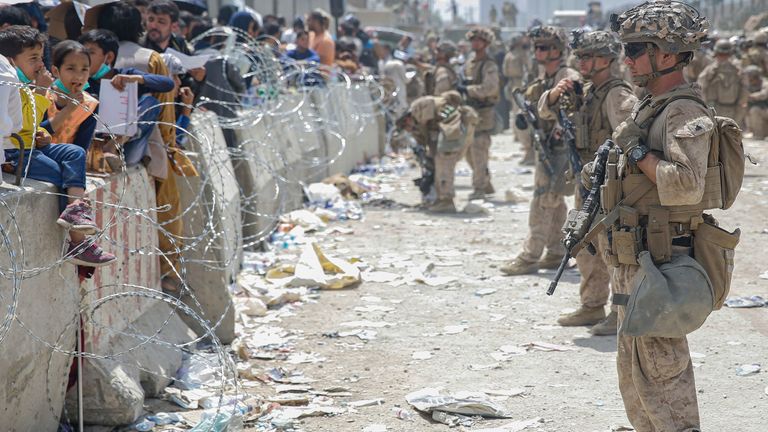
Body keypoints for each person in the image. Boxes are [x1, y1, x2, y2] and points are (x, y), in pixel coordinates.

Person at [608, 2, 721, 429]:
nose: (628, 59)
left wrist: (637, 152)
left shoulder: (682, 111)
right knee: (632, 367)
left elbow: (685, 183)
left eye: (636, 49)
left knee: (660, 366)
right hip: (633, 257)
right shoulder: (649, 105)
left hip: (660, 257)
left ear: (668, 55)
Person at [538, 30, 637, 335]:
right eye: (579, 56)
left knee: (614, 253)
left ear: (606, 59)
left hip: (609, 188)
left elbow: (632, 135)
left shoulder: (616, 94)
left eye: (587, 56)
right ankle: (593, 305)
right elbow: (545, 110)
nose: (580, 61)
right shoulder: (587, 90)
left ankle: (622, 313)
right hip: (587, 183)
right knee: (585, 248)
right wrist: (556, 93)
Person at [99, 1, 197, 293]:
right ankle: (169, 276)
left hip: (104, 143)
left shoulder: (95, 53)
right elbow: (164, 111)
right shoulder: (151, 58)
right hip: (150, 148)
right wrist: (171, 147)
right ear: (138, 25)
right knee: (168, 214)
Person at [0, 25, 115, 267]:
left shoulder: (25, 86)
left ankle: (75, 211)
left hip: (30, 144)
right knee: (56, 172)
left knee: (74, 153)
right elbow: (16, 125)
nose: (39, 65)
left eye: (40, 58)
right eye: (33, 59)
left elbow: (32, 126)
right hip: (14, 151)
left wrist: (42, 133)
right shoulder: (9, 84)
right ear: (12, 60)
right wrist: (41, 92)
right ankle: (78, 241)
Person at [500, 25, 581, 276]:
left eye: (544, 47)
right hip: (547, 145)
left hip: (560, 148)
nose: (538, 51)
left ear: (558, 50)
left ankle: (530, 255)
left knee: (543, 199)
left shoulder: (567, 76)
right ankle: (556, 251)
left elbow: (573, 112)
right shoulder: (545, 76)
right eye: (536, 47)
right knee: (554, 202)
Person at [79, 29, 175, 166]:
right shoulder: (83, 82)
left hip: (126, 150)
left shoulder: (126, 75)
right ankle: (105, 149)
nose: (85, 58)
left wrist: (137, 78)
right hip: (92, 146)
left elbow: (168, 84)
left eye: (91, 53)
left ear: (109, 57)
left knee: (151, 102)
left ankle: (114, 145)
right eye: (83, 53)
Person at [400, 91, 479, 213]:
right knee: (439, 161)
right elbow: (428, 141)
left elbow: (428, 135)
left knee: (444, 162)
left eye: (407, 126)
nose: (409, 129)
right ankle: (441, 198)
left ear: (408, 119)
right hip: (453, 130)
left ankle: (446, 200)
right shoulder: (421, 119)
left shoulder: (418, 108)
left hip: (453, 129)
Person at [458, 27, 500, 201]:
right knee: (468, 151)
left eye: (479, 41)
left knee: (479, 149)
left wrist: (468, 90)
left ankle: (479, 188)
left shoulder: (489, 65)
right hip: (469, 112)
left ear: (486, 44)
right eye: (473, 40)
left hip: (483, 112)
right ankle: (485, 181)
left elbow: (490, 88)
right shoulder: (470, 62)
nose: (475, 43)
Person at [44, 41, 99, 152]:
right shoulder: (42, 95)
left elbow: (81, 148)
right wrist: (68, 109)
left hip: (67, 161)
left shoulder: (90, 105)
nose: (79, 76)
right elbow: (36, 134)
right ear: (55, 71)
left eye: (84, 69)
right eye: (71, 68)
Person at [697, 39, 748, 128]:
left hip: (731, 108)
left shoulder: (737, 69)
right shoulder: (712, 69)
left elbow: (700, 86)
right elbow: (701, 87)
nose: (723, 57)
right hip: (716, 108)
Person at [503, 35, 535, 164]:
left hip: (521, 85)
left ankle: (529, 150)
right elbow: (505, 71)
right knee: (515, 115)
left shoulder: (523, 54)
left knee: (521, 115)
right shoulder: (510, 55)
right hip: (512, 84)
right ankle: (525, 146)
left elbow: (529, 68)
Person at [745, 65, 768, 140]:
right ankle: (748, 130)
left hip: (765, 108)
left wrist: (751, 96)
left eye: (749, 76)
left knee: (755, 110)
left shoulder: (765, 83)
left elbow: (764, 94)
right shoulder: (748, 84)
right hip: (756, 109)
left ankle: (758, 135)